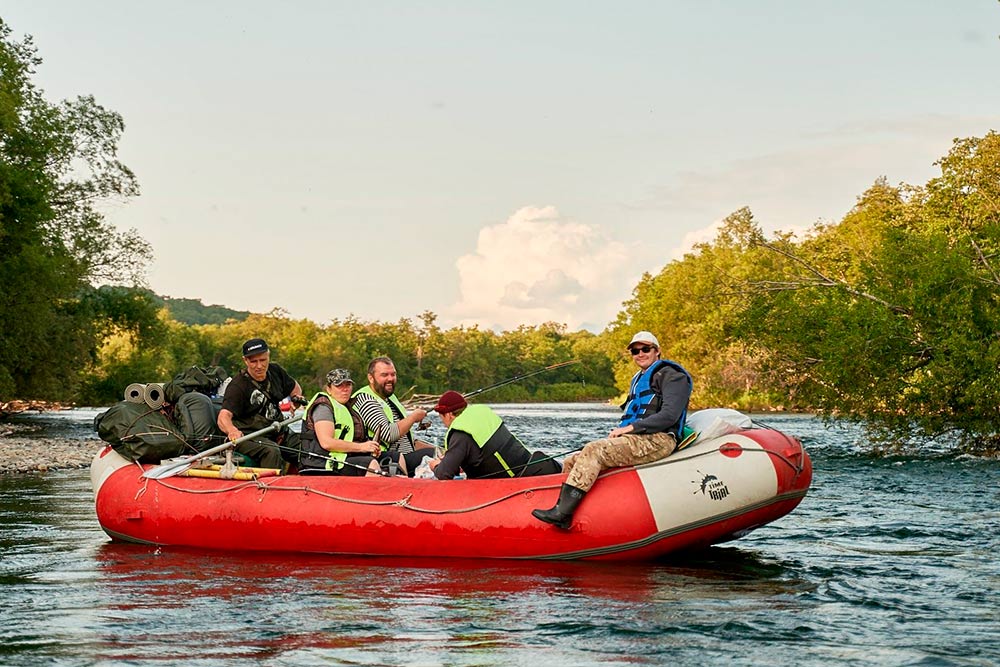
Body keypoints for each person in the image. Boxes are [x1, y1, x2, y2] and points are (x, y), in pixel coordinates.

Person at [532, 331, 692, 529]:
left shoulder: (672, 375)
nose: (640, 354)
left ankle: (563, 515)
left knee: (594, 450)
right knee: (571, 460)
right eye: (635, 351)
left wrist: (630, 428)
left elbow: (670, 415)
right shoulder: (638, 378)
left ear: (657, 351)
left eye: (645, 349)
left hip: (659, 440)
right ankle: (556, 504)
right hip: (639, 439)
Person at [429, 391, 561, 480]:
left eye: (441, 417)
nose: (443, 422)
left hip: (512, 483)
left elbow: (444, 474)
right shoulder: (482, 413)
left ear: (449, 414)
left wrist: (435, 465)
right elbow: (483, 451)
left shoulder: (459, 433)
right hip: (529, 467)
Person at [217, 338, 305, 469]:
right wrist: (232, 431)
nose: (259, 366)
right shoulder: (237, 386)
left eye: (263, 360)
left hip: (277, 430)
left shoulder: (276, 371)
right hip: (249, 436)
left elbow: (294, 387)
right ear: (245, 360)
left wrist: (296, 398)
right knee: (272, 451)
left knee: (306, 446)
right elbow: (223, 417)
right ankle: (268, 487)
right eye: (253, 361)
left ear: (268, 356)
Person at [351, 356, 435, 476]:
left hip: (405, 456)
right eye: (384, 375)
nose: (390, 379)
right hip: (386, 459)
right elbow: (388, 435)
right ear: (371, 378)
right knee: (430, 454)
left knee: (438, 453)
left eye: (393, 374)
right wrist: (413, 418)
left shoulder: (389, 398)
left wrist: (440, 451)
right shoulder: (365, 399)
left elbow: (408, 439)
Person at [298, 369, 382, 476]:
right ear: (329, 389)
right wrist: (362, 447)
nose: (345, 389)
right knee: (370, 463)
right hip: (321, 464)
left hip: (342, 458)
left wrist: (369, 448)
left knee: (394, 457)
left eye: (348, 385)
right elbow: (326, 443)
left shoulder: (349, 408)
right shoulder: (323, 408)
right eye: (339, 386)